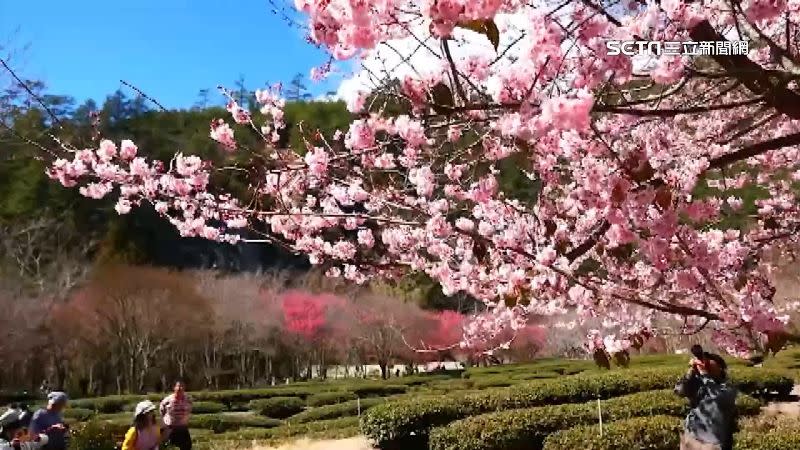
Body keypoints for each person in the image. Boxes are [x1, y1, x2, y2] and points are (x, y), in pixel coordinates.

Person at [675, 345, 737, 450]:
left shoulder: (728, 388)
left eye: (710, 363)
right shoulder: (699, 383)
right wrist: (690, 372)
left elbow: (715, 396)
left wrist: (704, 374)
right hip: (690, 438)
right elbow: (679, 391)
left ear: (721, 368)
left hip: (711, 444)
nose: (706, 364)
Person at [159, 381, 193, 450]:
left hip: (183, 429)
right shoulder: (167, 400)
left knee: (187, 447)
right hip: (169, 429)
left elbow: (189, 410)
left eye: (182, 386)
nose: (180, 388)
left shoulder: (188, 400)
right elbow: (162, 411)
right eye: (178, 386)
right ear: (174, 388)